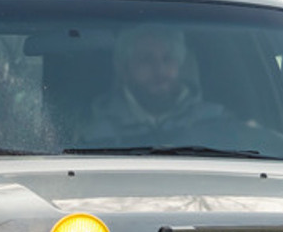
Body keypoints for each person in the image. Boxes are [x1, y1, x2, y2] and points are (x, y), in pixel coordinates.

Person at [79, 25, 228, 144]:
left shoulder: (217, 122)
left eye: (168, 59)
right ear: (124, 70)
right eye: (146, 60)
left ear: (179, 65)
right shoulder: (93, 134)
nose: (160, 70)